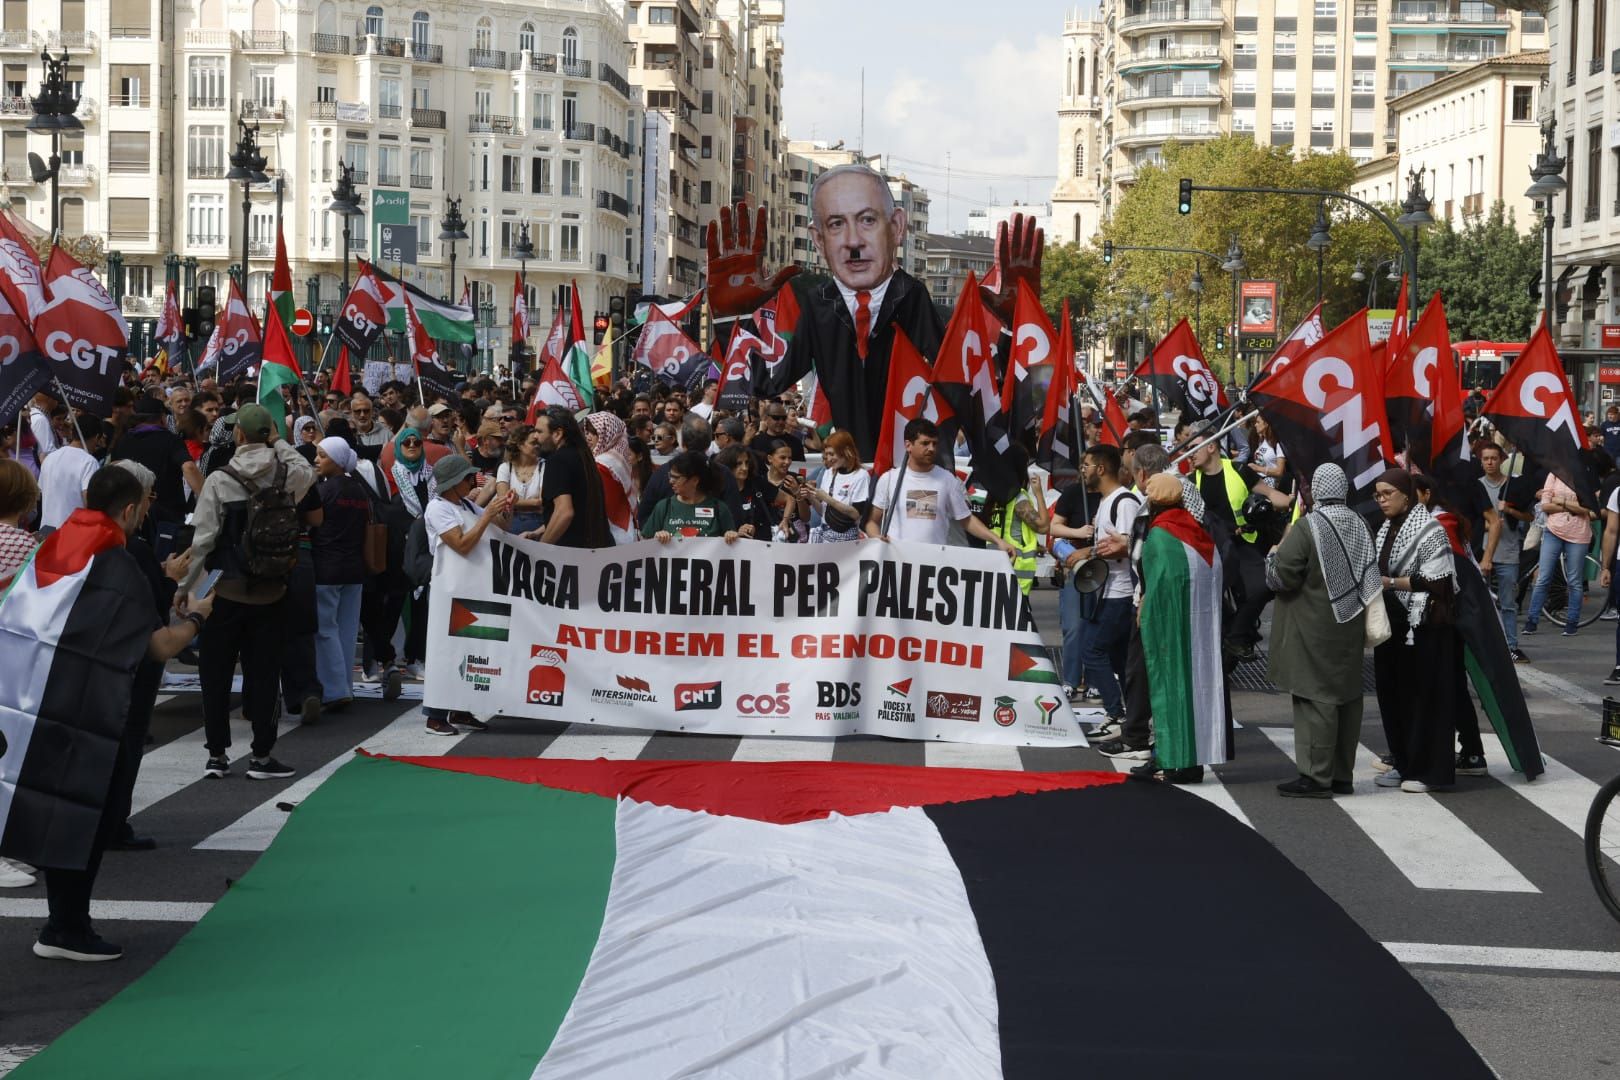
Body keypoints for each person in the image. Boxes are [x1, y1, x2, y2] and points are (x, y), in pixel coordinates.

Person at [7, 466, 214, 961]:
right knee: (87, 820)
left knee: (59, 810)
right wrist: (197, 619)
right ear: (129, 509)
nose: (146, 513)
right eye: (144, 505)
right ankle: (67, 928)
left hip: (38, 703)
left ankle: (63, 924)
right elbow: (160, 646)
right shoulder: (117, 564)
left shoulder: (54, 544)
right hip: (94, 709)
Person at [708, 168, 1040, 460]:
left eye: (867, 220)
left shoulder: (911, 297)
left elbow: (964, 385)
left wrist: (1015, 328)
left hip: (903, 470)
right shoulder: (818, 303)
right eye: (837, 224)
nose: (854, 242)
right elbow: (768, 382)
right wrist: (729, 321)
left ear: (896, 227)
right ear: (818, 240)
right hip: (851, 467)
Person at [179, 403, 316, 781]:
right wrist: (280, 442)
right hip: (272, 588)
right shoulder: (287, 473)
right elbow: (308, 470)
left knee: (215, 673)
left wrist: (186, 588)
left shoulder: (221, 479)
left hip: (225, 586)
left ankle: (217, 754)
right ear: (268, 433)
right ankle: (261, 754)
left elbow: (204, 540)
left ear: (238, 434)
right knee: (265, 674)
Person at [1267, 464, 1380, 798]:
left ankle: (1316, 776)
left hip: (1312, 625)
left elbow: (1281, 576)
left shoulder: (1308, 527)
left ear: (1315, 490)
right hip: (1350, 621)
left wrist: (1272, 557)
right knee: (1346, 699)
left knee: (1315, 698)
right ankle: (1341, 775)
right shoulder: (1360, 523)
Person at [1132, 472, 1229, 784]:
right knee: (1197, 692)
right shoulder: (1197, 532)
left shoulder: (1161, 535)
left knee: (1169, 690)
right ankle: (1193, 762)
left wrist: (1146, 616)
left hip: (1171, 630)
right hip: (1201, 629)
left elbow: (1157, 585)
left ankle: (1173, 760)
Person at [1370, 468, 1458, 793]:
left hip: (1424, 628)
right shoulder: (1384, 530)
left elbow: (1437, 581)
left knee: (1423, 699)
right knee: (1392, 695)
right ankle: (1402, 760)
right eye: (1377, 495)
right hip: (1392, 624)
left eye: (1387, 494)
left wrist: (1391, 583)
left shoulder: (1431, 529)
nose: (1381, 501)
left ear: (1406, 495)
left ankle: (1426, 770)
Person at [1184, 429, 1292, 661]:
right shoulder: (1191, 482)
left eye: (1193, 448)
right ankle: (1236, 637)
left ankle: (1237, 637)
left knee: (1263, 587)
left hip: (1244, 545)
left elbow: (1273, 495)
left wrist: (1294, 500)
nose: (1188, 455)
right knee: (1211, 601)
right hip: (1212, 552)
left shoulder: (1239, 470)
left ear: (1211, 447)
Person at [421, 455, 510, 735]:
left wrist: (506, 508)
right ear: (453, 483)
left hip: (472, 588)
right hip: (450, 590)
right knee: (446, 652)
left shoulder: (466, 503)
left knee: (471, 650)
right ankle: (434, 716)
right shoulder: (438, 509)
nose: (472, 482)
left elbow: (503, 529)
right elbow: (460, 544)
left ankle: (460, 708)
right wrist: (486, 515)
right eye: (466, 478)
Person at [865, 418, 1018, 556]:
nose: (931, 448)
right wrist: (876, 538)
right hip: (897, 562)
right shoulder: (890, 479)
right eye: (925, 443)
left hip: (934, 565)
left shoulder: (947, 480)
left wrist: (998, 541)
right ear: (908, 445)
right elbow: (872, 521)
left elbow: (967, 520)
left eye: (935, 443)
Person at [1068, 445, 1141, 725]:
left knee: (1092, 650)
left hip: (1120, 593)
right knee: (1120, 659)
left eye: (1086, 465)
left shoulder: (1124, 502)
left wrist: (1088, 554)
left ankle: (1115, 713)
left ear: (1100, 469)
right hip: (1106, 592)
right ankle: (1133, 716)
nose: (1082, 471)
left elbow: (1127, 546)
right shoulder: (1106, 501)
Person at [310, 437, 371, 710]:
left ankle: (334, 690)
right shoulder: (359, 490)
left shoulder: (324, 492)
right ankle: (344, 685)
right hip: (354, 568)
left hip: (327, 567)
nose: (316, 460)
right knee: (346, 631)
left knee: (325, 630)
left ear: (336, 459)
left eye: (322, 455)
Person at [110, 394, 203, 529]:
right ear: (162, 418)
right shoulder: (171, 440)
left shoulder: (122, 440)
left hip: (131, 516)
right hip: (168, 517)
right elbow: (189, 467)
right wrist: (208, 499)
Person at [1523, 469, 1595, 637]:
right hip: (1553, 530)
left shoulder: (1583, 476)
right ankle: (1532, 620)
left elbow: (1588, 508)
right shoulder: (1553, 475)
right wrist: (1572, 506)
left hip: (1578, 533)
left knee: (1574, 581)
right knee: (1543, 578)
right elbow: (1544, 505)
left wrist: (1559, 501)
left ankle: (1572, 622)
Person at [1477, 443, 1532, 663]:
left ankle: (1511, 645)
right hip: (1481, 551)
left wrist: (1508, 510)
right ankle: (1484, 644)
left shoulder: (1512, 486)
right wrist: (1490, 525)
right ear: (1480, 462)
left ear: (1502, 460)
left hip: (1508, 552)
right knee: (1482, 603)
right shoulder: (1477, 486)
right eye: (1485, 459)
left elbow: (1529, 517)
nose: (1490, 462)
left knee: (1509, 603)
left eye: (1493, 458)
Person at [529, 406, 611, 548]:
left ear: (558, 433)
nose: (535, 436)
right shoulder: (583, 455)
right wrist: (539, 532)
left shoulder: (558, 461)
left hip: (570, 555)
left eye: (539, 431)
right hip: (594, 549)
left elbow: (564, 512)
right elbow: (579, 507)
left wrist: (541, 548)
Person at [641, 451, 741, 543]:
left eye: (676, 477)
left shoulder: (719, 508)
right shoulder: (664, 507)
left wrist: (731, 536)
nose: (670, 481)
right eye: (670, 476)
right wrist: (656, 538)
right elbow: (644, 543)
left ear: (694, 480)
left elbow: (732, 550)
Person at [37, 416, 103, 532]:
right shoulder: (89, 462)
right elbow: (90, 501)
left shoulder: (50, 458)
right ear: (97, 437)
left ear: (73, 432)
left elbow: (40, 492)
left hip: (46, 531)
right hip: (71, 533)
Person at [582, 412, 638, 545]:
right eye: (587, 432)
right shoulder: (618, 458)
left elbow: (602, 503)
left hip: (611, 530)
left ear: (607, 434)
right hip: (624, 527)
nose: (588, 437)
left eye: (594, 432)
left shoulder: (603, 464)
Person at [806, 431, 870, 543]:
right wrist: (811, 496)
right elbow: (823, 512)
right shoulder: (828, 473)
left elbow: (855, 514)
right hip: (824, 534)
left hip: (846, 538)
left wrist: (827, 498)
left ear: (846, 451)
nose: (829, 459)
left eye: (832, 454)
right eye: (827, 455)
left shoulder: (861, 475)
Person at [496, 423, 546, 535]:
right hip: (509, 522)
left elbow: (542, 502)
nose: (537, 446)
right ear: (520, 445)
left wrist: (513, 502)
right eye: (533, 443)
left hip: (536, 523)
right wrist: (533, 503)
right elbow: (502, 501)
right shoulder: (505, 467)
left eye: (538, 443)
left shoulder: (544, 466)